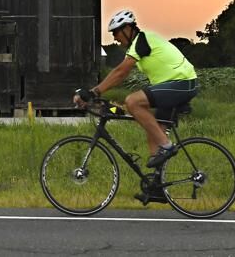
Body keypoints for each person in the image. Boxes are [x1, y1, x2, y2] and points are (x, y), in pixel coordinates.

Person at [73, 9, 199, 171]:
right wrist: (107, 105)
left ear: (127, 29)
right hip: (172, 85)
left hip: (183, 83)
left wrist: (94, 92)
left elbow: (121, 72)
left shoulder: (142, 40)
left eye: (116, 32)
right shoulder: (138, 46)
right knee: (153, 130)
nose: (114, 37)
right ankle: (156, 185)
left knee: (133, 101)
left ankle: (167, 146)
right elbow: (120, 76)